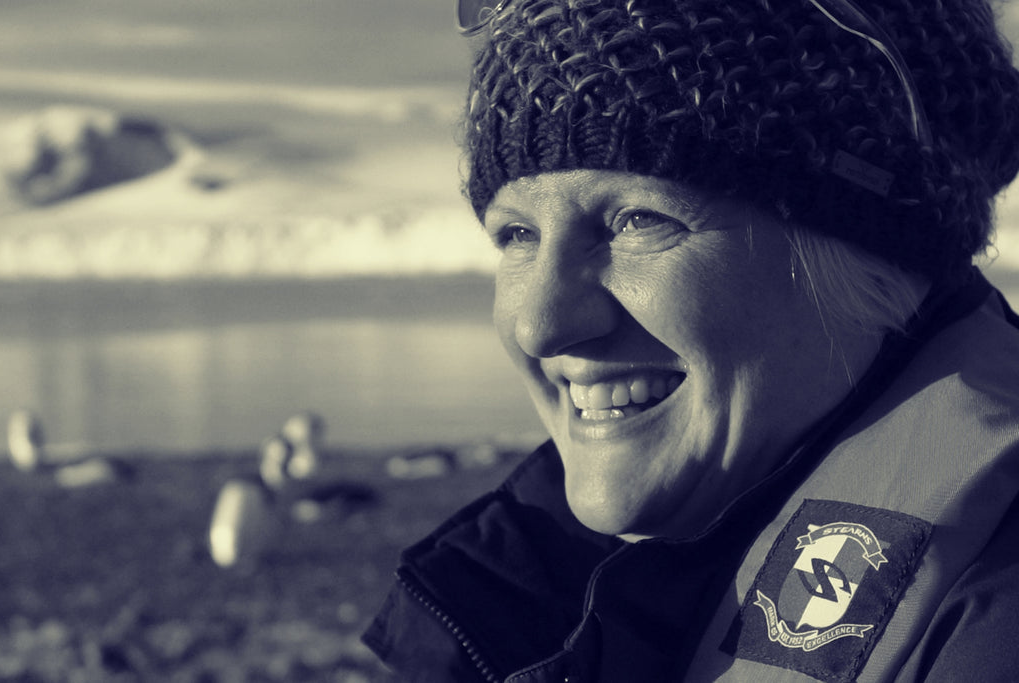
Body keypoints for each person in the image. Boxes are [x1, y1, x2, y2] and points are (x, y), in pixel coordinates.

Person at [364, 0, 1019, 680]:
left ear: (867, 260)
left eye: (640, 220)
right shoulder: (580, 581)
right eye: (517, 234)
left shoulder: (994, 620)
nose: (540, 323)